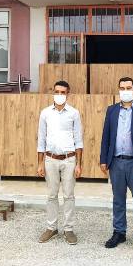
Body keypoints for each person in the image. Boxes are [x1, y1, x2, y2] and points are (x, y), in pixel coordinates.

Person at [100, 77, 133, 254]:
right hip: (116, 162)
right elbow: (106, 136)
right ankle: (119, 232)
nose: (125, 91)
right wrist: (103, 159)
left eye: (128, 88)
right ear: (118, 90)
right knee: (118, 200)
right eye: (122, 88)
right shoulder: (111, 110)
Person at [36, 80, 83, 245]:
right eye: (57, 91)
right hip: (50, 159)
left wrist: (78, 164)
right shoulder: (45, 113)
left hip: (69, 160)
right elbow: (41, 139)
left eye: (63, 92)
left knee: (69, 195)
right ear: (53, 92)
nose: (60, 95)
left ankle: (68, 229)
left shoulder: (74, 113)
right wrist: (40, 163)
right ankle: (51, 227)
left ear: (68, 94)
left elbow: (79, 140)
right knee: (51, 195)